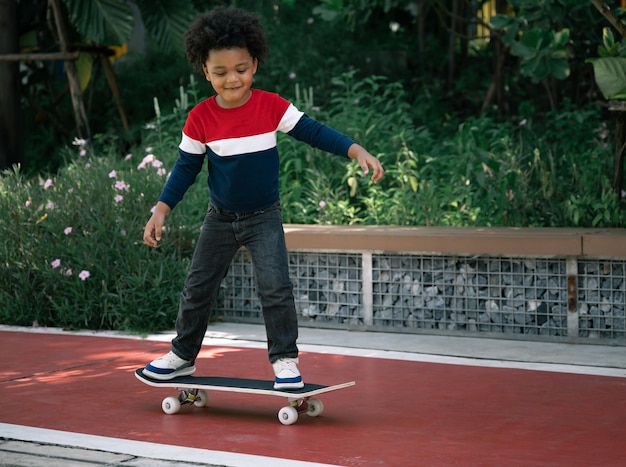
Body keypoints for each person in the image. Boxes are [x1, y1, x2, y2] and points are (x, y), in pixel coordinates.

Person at [142, 6, 384, 389]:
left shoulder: (271, 106)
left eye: (240, 69)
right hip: (219, 218)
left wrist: (356, 150)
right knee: (197, 289)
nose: (231, 79)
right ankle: (182, 356)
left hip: (263, 217)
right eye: (219, 72)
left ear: (254, 64)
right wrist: (161, 208)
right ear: (205, 72)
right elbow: (185, 168)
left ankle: (285, 360)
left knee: (275, 288)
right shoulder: (200, 119)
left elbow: (314, 131)